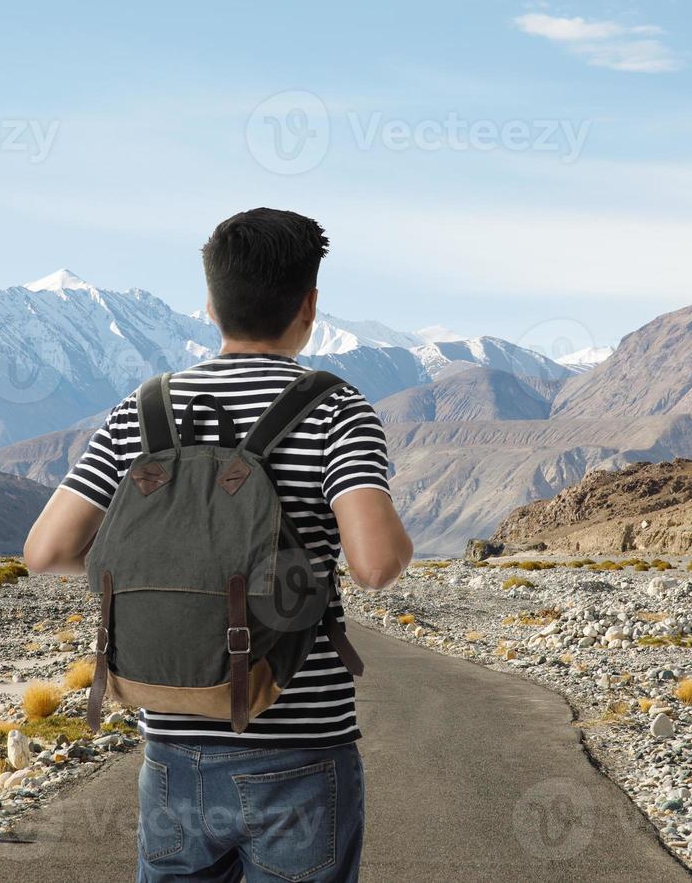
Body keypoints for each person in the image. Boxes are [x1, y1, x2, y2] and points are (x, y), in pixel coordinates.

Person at [23, 207, 413, 882]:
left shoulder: (144, 410)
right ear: (310, 304)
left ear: (209, 303)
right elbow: (375, 565)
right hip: (302, 750)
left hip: (174, 750)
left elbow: (46, 551)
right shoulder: (336, 410)